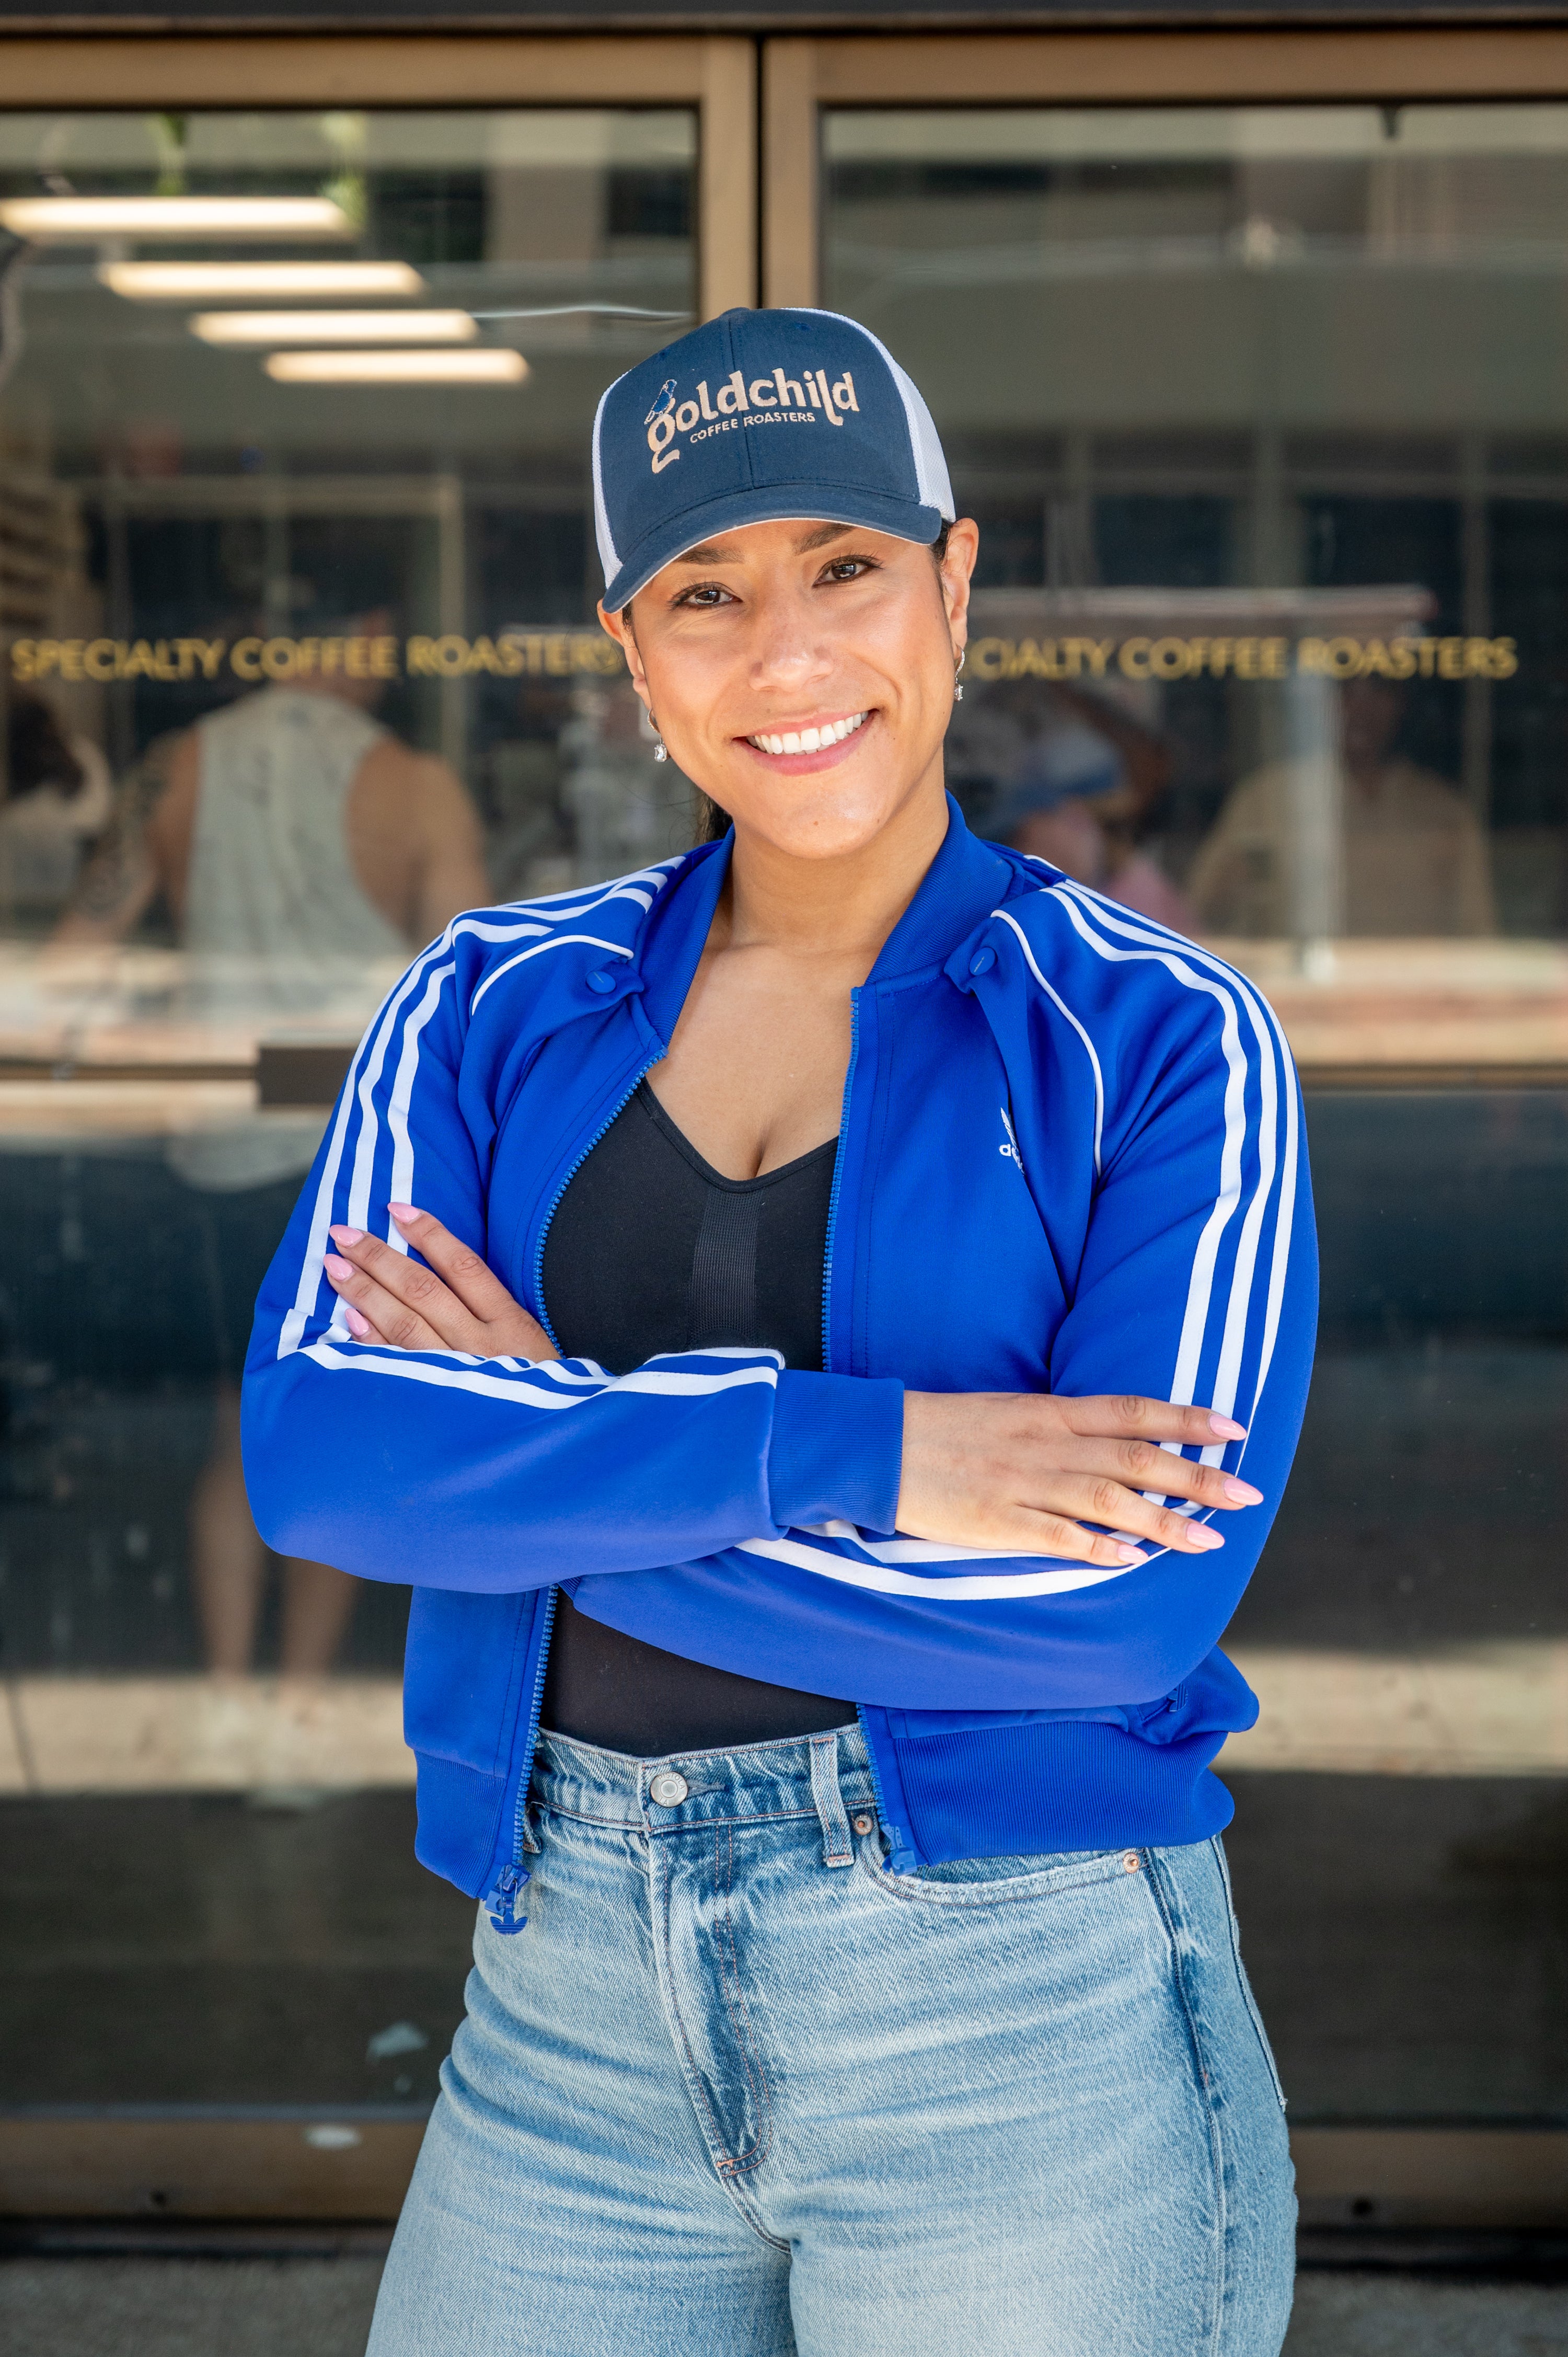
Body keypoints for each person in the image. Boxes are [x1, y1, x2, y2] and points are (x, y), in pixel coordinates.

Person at [243, 309, 1316, 2352]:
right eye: (705, 594)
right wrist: (874, 1450)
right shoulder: (487, 1002)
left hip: (1014, 2006)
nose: (788, 652)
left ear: (956, 583)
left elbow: (1120, 1611)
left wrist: (536, 1460)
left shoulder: (1158, 1032)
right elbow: (324, 1453)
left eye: (846, 566)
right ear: (631, 654)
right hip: (564, 1995)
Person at [55, 593, 489, 1677]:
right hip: (358, 1158)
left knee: (229, 1431)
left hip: (220, 1149)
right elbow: (469, 1004)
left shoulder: (175, 768)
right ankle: (298, 1704)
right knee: (330, 1428)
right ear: (369, 632)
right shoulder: (416, 784)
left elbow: (70, 961)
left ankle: (225, 1689)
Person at [1189, 675, 1496, 937]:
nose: (1360, 707)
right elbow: (1197, 915)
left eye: (1379, 689)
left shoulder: (1443, 812)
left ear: (1402, 702)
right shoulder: (1264, 799)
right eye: (1345, 689)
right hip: (1291, 988)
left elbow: (1479, 936)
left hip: (1420, 988)